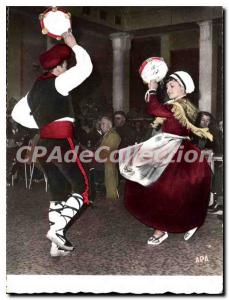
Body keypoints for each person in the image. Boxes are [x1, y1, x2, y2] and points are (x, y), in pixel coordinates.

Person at [11, 31, 93, 256]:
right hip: (60, 142)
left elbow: (17, 115)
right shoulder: (59, 82)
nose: (66, 70)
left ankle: (55, 246)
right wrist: (74, 44)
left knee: (58, 191)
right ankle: (58, 230)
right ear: (57, 68)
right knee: (83, 186)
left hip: (43, 145)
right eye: (65, 66)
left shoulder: (35, 89)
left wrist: (43, 123)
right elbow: (85, 68)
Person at [119, 71, 212, 245]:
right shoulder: (182, 104)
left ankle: (165, 228)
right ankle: (167, 226)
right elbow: (160, 114)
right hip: (171, 147)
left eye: (172, 85)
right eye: (167, 86)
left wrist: (153, 90)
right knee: (163, 189)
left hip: (176, 150)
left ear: (183, 88)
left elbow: (154, 109)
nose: (168, 89)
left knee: (164, 188)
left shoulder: (180, 105)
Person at [192, 111, 223, 215]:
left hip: (206, 160)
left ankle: (210, 201)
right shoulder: (191, 131)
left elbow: (216, 147)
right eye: (203, 120)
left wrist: (210, 149)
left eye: (207, 120)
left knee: (215, 170)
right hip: (190, 162)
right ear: (198, 120)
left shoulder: (211, 132)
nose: (205, 122)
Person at [99, 116, 121, 201]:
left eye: (103, 123)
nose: (101, 125)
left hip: (109, 160)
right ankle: (112, 195)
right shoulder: (107, 135)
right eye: (101, 123)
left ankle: (112, 197)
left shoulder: (112, 135)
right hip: (108, 160)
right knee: (110, 177)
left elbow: (106, 149)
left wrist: (97, 153)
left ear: (109, 125)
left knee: (110, 178)